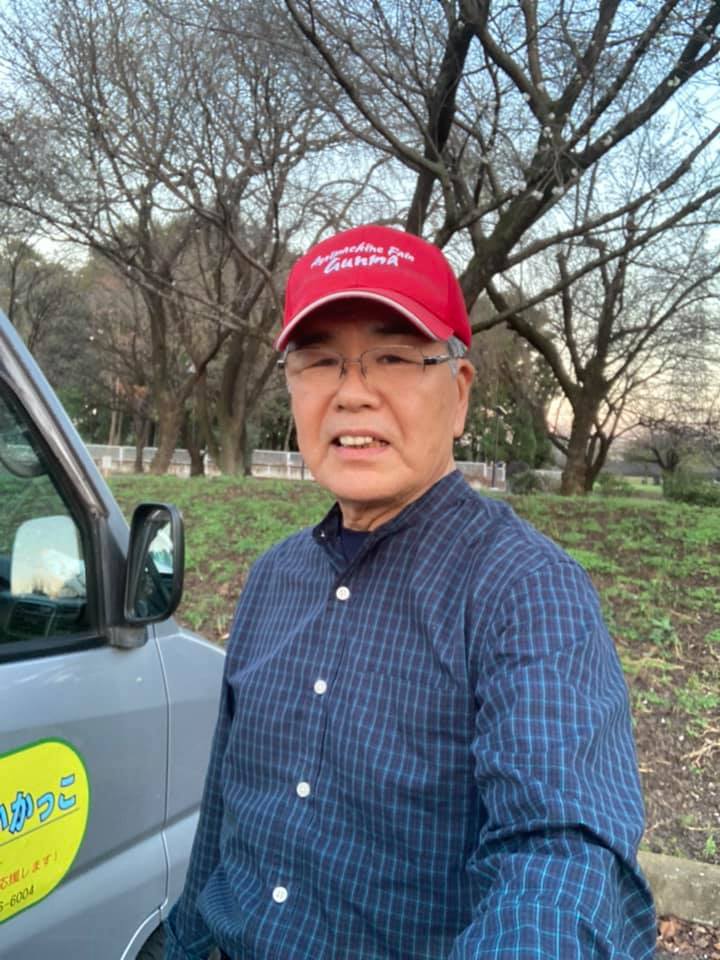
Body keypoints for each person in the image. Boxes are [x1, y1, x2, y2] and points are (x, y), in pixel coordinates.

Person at [165, 225, 656, 959]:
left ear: (458, 394)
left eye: (393, 357)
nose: (351, 393)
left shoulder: (525, 591)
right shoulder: (273, 577)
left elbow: (564, 855)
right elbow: (226, 817)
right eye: (320, 361)